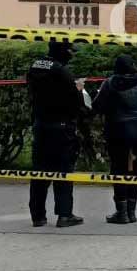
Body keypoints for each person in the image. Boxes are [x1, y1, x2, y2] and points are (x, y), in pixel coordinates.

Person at [92, 55, 137, 224]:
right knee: (135, 167)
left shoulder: (109, 83)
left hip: (118, 129)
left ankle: (121, 212)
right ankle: (132, 211)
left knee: (118, 168)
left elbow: (98, 106)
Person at [27, 40, 87, 228]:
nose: (72, 55)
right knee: (63, 171)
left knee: (39, 171)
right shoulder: (62, 71)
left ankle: (37, 216)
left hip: (40, 125)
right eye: (70, 51)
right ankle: (64, 214)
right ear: (63, 51)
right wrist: (78, 89)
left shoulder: (35, 66)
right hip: (61, 127)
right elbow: (75, 104)